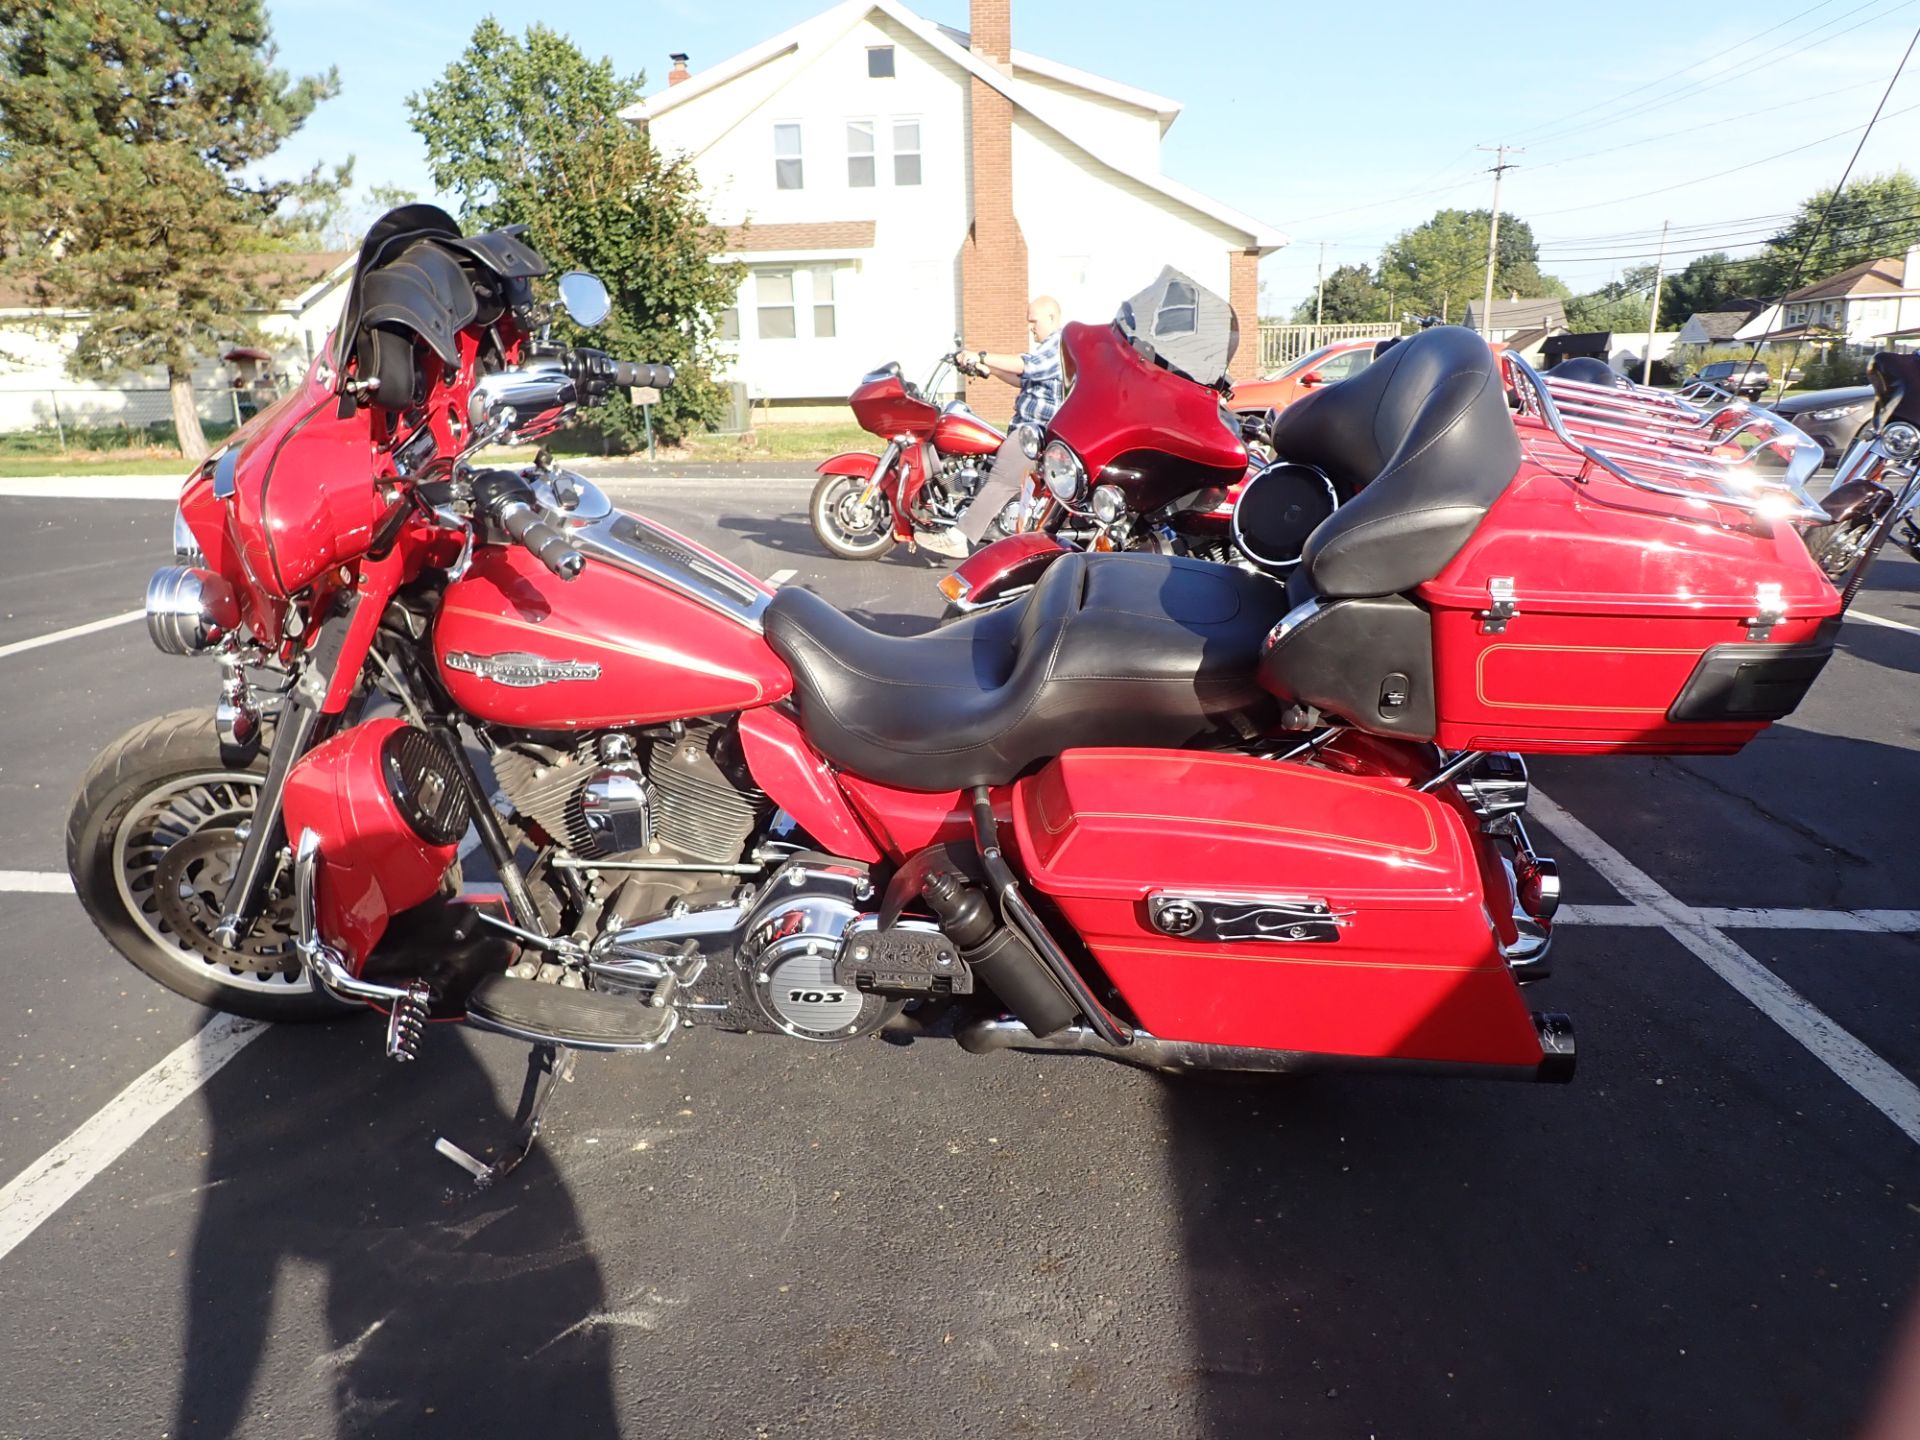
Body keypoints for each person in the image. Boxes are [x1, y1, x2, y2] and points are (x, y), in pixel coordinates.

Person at [936, 295, 1063, 555]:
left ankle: (959, 538)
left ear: (1051, 317)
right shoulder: (1047, 348)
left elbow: (1028, 367)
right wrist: (988, 369)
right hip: (1026, 429)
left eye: (1034, 321)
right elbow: (1022, 379)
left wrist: (981, 356)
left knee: (1001, 479)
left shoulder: (1058, 345)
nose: (1030, 327)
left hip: (1035, 433)